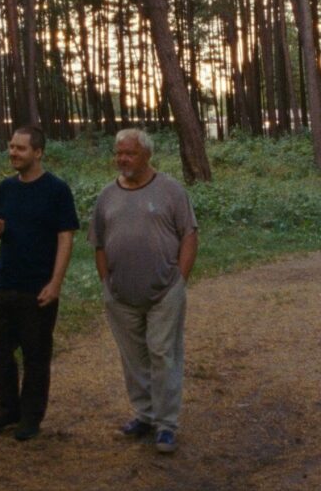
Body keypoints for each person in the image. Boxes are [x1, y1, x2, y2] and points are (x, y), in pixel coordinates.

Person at [88, 128, 199, 453]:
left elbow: (189, 235)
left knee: (163, 354)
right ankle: (145, 414)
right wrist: (106, 283)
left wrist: (180, 279)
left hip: (165, 290)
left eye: (129, 153)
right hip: (120, 295)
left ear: (147, 155)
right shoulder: (107, 196)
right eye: (119, 153)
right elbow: (98, 242)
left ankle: (166, 424)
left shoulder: (171, 191)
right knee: (134, 358)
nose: (122, 158)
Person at [0, 125, 80, 441]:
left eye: (20, 148)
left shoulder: (56, 190)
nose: (13, 153)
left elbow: (65, 237)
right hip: (3, 283)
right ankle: (7, 409)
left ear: (38, 152)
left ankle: (30, 418)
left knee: (36, 356)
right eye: (11, 147)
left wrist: (55, 283)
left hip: (37, 287)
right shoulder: (6, 188)